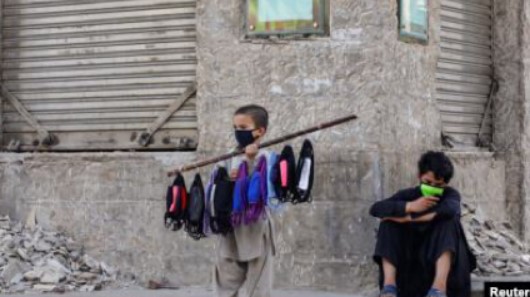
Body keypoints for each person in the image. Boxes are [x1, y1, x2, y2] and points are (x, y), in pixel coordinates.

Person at [369, 151, 476, 297]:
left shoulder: (449, 195)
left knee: (448, 222)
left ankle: (439, 289)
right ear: (420, 177)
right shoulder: (409, 195)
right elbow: (376, 208)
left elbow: (450, 209)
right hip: (411, 270)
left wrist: (411, 218)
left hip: (442, 270)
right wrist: (409, 206)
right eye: (428, 182)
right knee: (388, 222)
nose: (432, 187)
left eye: (438, 185)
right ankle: (389, 288)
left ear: (445, 183)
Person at [214, 104, 275, 297]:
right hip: (231, 227)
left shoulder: (267, 157)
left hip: (256, 229)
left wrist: (248, 164)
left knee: (259, 285)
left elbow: (265, 191)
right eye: (235, 128)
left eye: (243, 128)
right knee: (225, 281)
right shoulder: (229, 155)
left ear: (260, 131)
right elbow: (217, 182)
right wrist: (227, 178)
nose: (238, 132)